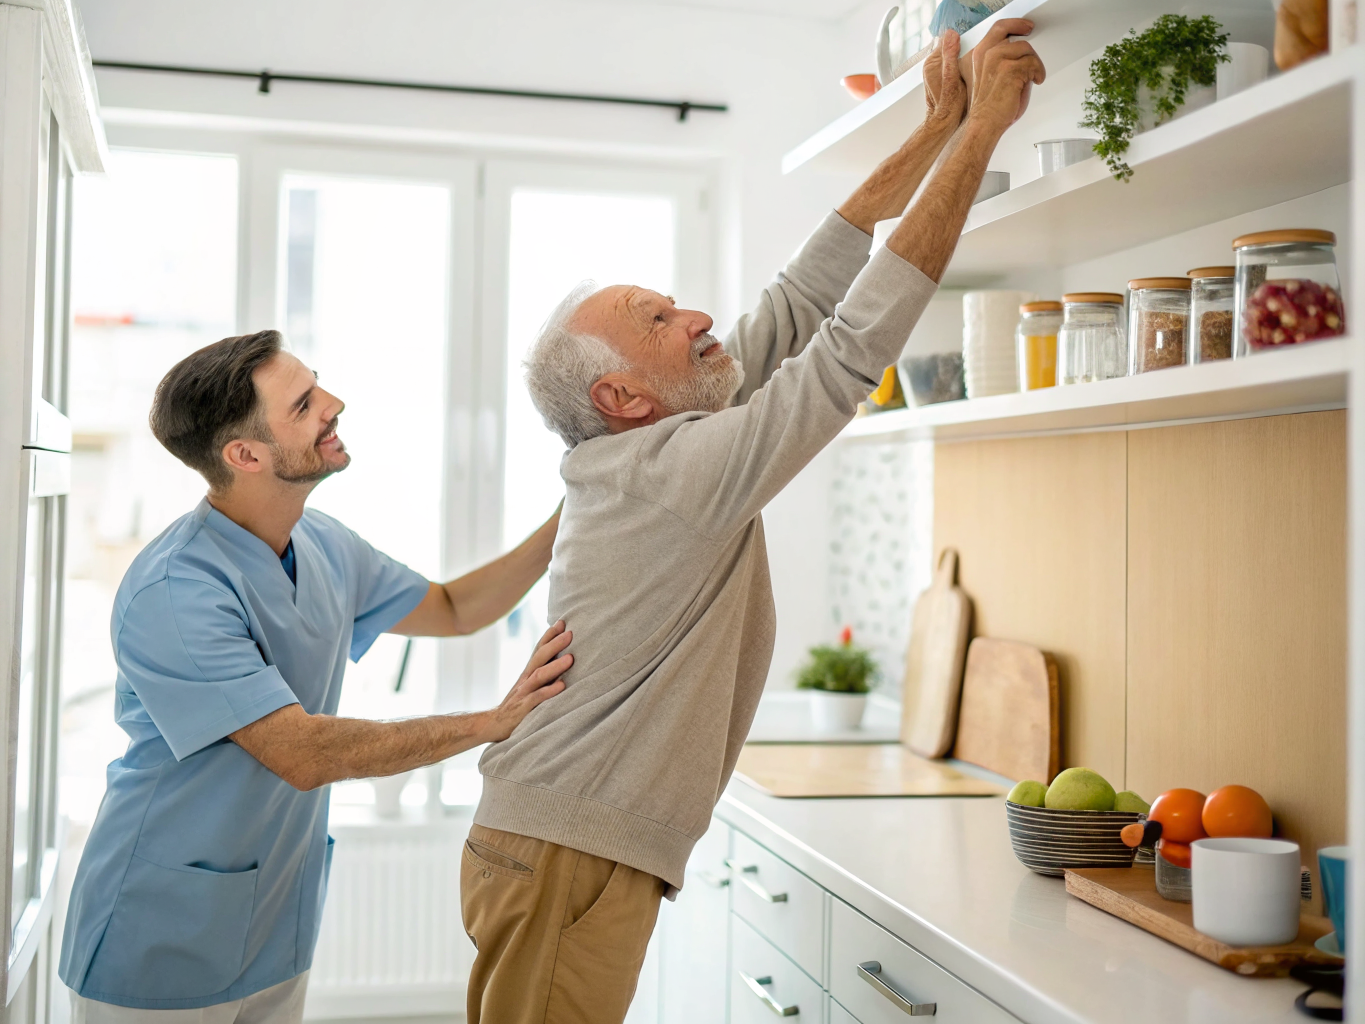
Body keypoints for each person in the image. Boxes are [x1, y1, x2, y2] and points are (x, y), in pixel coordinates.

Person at [460, 21, 1045, 1024]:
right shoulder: (673, 468)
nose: (697, 320)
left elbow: (805, 293)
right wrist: (984, 133)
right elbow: (846, 352)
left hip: (566, 842)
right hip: (565, 849)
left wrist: (939, 123)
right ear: (625, 400)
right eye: (658, 322)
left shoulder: (666, 438)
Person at [58, 329, 572, 1022]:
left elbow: (455, 608)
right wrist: (488, 724)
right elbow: (300, 753)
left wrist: (576, 511)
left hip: (271, 923)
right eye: (303, 404)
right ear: (246, 455)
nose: (334, 403)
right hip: (158, 934)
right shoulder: (178, 591)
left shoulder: (323, 543)